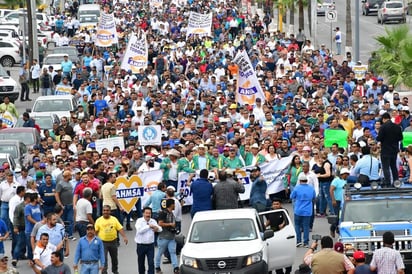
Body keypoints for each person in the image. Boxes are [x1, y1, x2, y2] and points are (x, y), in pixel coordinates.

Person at [95, 205, 128, 274]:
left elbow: (120, 228)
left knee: (114, 259)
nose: (105, 212)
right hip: (103, 243)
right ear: (102, 211)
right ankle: (104, 272)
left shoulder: (114, 219)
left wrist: (124, 237)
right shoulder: (98, 221)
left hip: (113, 242)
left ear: (110, 211)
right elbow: (95, 232)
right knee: (104, 259)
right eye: (104, 210)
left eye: (107, 210)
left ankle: (115, 271)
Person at [377, 112, 403, 187]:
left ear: (384, 119)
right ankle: (396, 182)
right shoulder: (397, 126)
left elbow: (379, 138)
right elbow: (400, 138)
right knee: (393, 167)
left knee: (386, 167)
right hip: (394, 150)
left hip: (385, 150)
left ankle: (388, 183)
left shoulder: (383, 127)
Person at [291, 173, 316, 248]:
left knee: (297, 225)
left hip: (298, 209)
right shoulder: (311, 188)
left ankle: (298, 241)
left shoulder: (297, 188)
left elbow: (292, 196)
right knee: (306, 226)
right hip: (307, 210)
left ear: (300, 180)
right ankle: (306, 242)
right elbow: (314, 197)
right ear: (306, 180)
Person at [155, 199, 179, 274]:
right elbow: (160, 223)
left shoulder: (171, 213)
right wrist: (170, 224)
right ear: (171, 205)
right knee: (160, 252)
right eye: (174, 204)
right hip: (163, 237)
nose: (175, 206)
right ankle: (157, 267)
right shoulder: (163, 213)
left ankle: (176, 268)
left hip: (171, 237)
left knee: (173, 252)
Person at [135, 207, 162, 274]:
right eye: (146, 213)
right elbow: (140, 231)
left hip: (150, 245)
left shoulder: (153, 221)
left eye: (149, 213)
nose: (148, 215)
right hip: (141, 245)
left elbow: (160, 229)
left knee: (151, 263)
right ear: (143, 213)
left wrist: (157, 228)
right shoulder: (139, 221)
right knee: (141, 263)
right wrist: (149, 226)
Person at [329, 167, 349, 238]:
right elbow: (331, 190)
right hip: (337, 201)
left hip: (346, 201)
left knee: (343, 217)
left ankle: (339, 230)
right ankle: (333, 228)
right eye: (345, 174)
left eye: (347, 174)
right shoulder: (336, 180)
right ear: (342, 174)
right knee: (337, 217)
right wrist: (333, 200)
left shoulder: (348, 181)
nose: (346, 176)